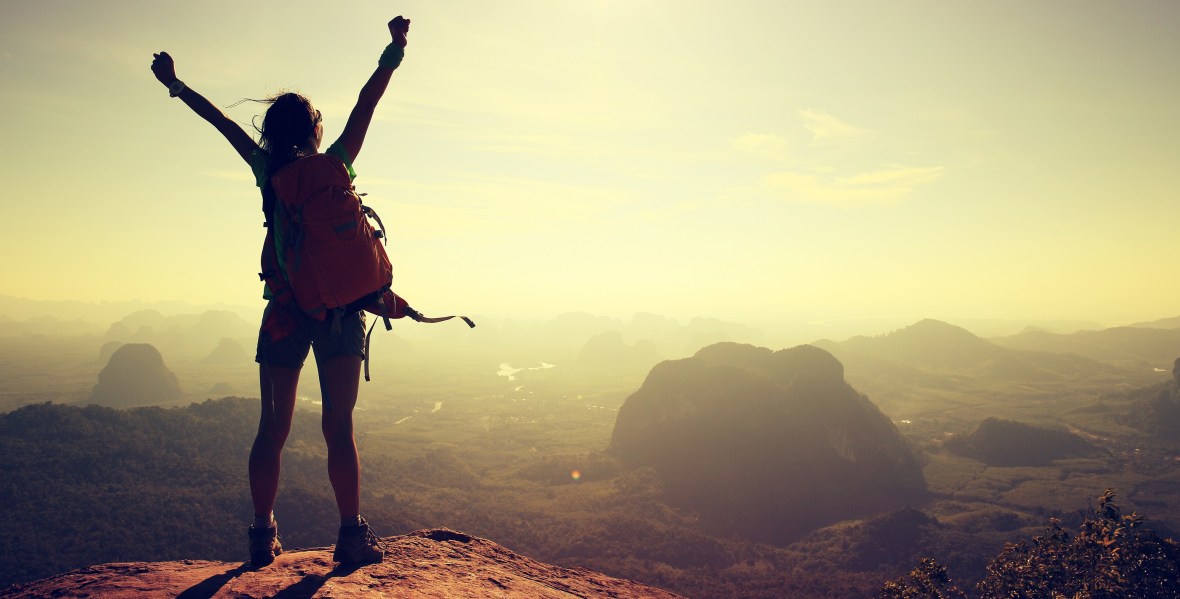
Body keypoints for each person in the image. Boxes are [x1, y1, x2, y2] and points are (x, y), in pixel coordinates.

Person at [150, 15, 411, 567]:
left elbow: (220, 120)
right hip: (342, 316)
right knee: (338, 426)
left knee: (273, 428)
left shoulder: (266, 167)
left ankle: (262, 534)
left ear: (273, 130)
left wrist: (176, 85)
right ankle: (350, 535)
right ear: (315, 130)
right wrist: (393, 50)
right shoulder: (336, 163)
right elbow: (368, 101)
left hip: (287, 313)